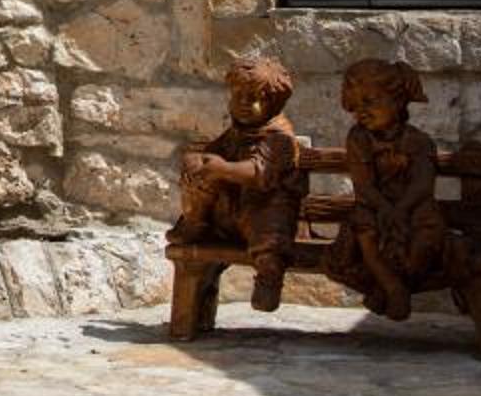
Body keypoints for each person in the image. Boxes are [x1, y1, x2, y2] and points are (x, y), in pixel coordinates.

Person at [171, 54, 305, 311]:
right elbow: (213, 154)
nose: (243, 104)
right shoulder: (236, 132)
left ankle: (268, 277)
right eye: (237, 96)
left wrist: (222, 168)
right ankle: (195, 224)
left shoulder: (279, 138)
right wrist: (196, 162)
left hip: (265, 214)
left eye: (253, 98)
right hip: (230, 216)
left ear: (273, 103)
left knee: (270, 233)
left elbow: (258, 172)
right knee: (200, 177)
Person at [328, 56, 448, 321]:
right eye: (355, 105)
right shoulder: (358, 138)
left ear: (398, 101)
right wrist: (384, 208)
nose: (361, 112)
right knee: (364, 225)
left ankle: (387, 287)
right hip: (375, 205)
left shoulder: (419, 142)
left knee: (428, 228)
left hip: (413, 207)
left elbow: (422, 185)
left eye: (370, 102)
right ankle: (394, 288)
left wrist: (401, 210)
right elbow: (363, 185)